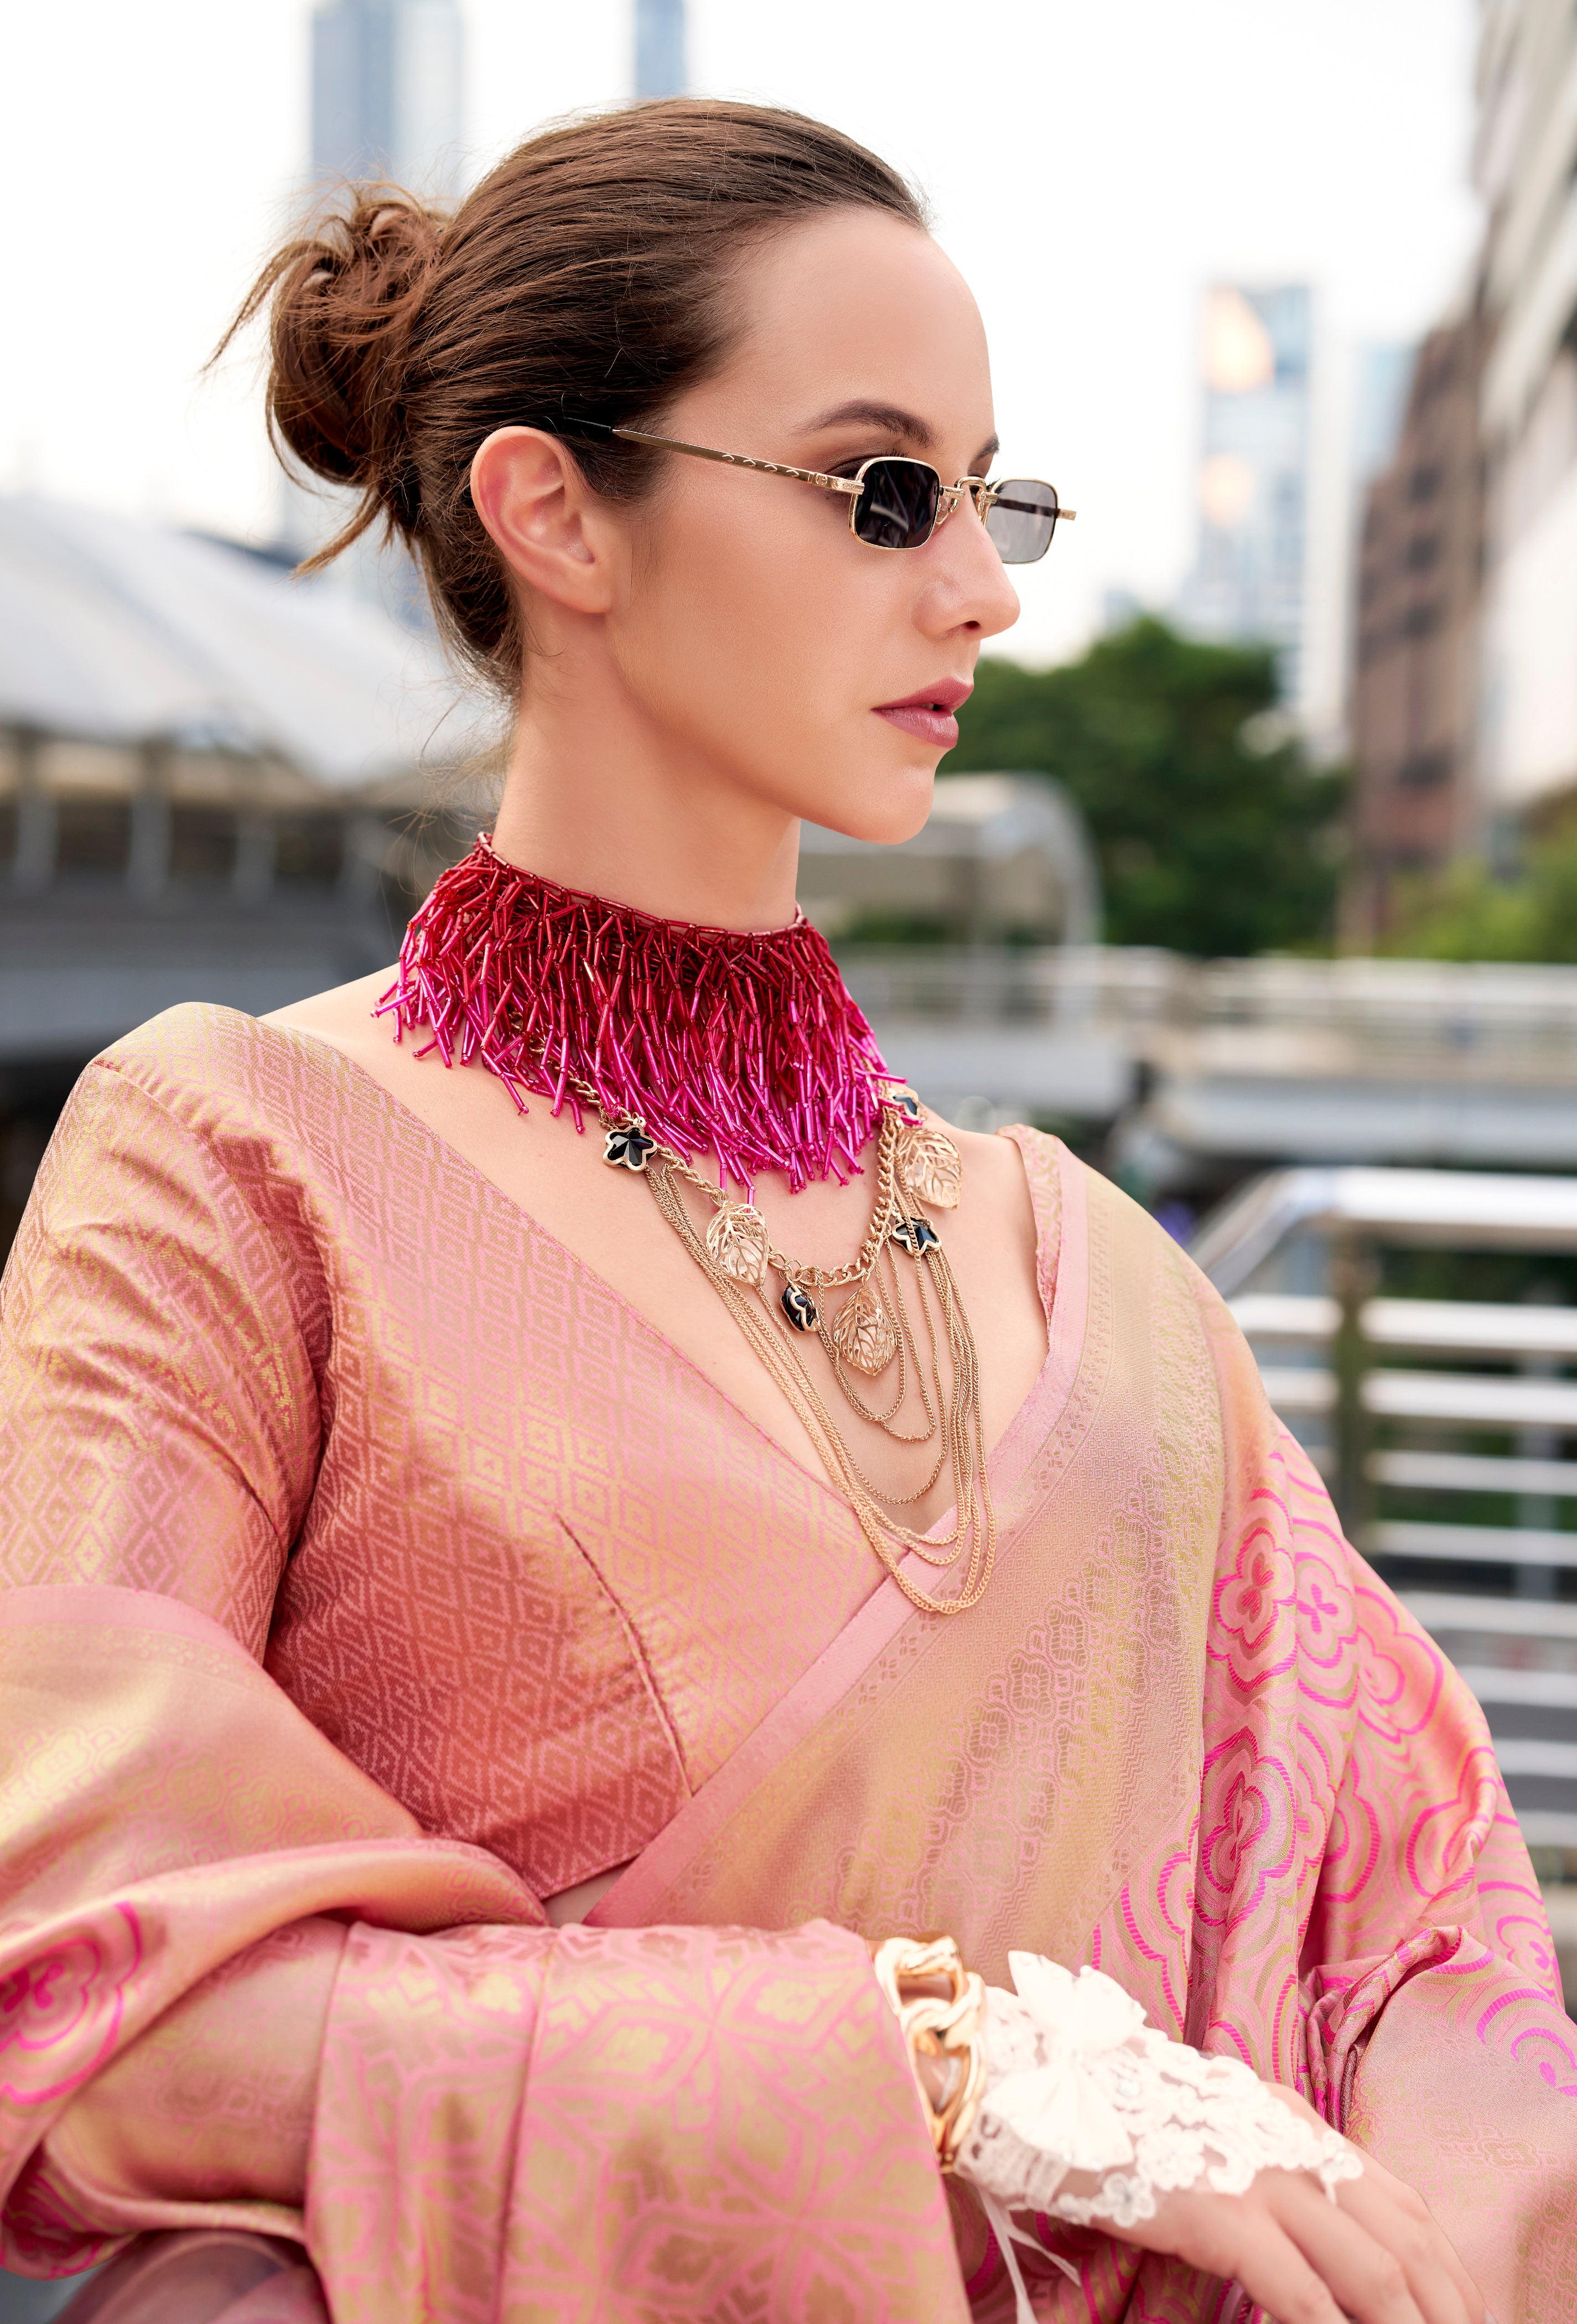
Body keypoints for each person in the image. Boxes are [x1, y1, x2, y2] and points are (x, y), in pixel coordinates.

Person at [0, 96, 1570, 2324]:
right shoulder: (232, 1162)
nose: (983, 587)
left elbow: (1423, 1913)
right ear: (557, 508)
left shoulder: (1081, 1262)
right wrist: (927, 2059)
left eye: (989, 495)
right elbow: (82, 1990)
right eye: (881, 493)